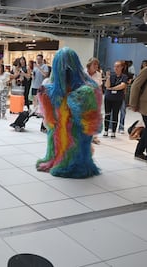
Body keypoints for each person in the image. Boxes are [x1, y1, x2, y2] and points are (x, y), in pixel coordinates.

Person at [37, 47, 102, 178]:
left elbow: (91, 122)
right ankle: (65, 161)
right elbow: (49, 120)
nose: (65, 70)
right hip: (61, 131)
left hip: (74, 132)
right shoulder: (52, 88)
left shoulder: (86, 89)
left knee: (75, 144)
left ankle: (73, 163)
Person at [103, 60, 128, 138]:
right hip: (108, 98)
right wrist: (108, 78)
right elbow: (107, 86)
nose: (116, 68)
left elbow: (122, 85)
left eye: (117, 66)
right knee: (107, 114)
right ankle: (106, 130)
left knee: (115, 114)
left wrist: (113, 88)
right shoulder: (112, 76)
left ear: (121, 67)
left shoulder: (124, 76)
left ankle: (113, 131)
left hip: (118, 99)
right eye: (115, 66)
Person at [129, 66, 147, 161]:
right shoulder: (146, 70)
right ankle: (139, 152)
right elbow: (135, 85)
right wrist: (133, 103)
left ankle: (139, 152)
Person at [85, 57, 103, 145]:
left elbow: (99, 87)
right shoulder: (83, 73)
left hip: (94, 98)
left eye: (97, 64)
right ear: (89, 65)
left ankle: (94, 136)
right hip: (84, 98)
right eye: (94, 64)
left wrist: (100, 99)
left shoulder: (98, 74)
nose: (96, 66)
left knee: (94, 117)